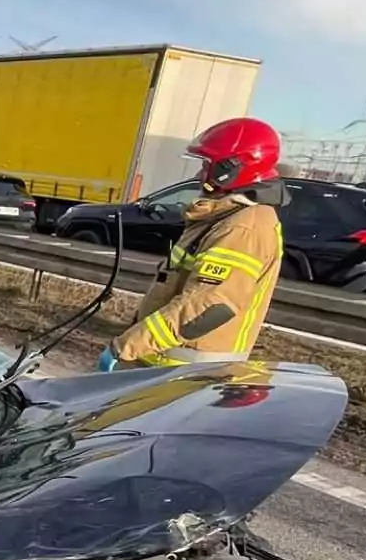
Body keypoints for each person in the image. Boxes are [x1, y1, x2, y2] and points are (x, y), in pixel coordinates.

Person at [99, 117, 287, 371]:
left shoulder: (242, 229)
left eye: (207, 165)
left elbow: (206, 305)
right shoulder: (226, 217)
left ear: (229, 169)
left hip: (184, 372)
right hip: (166, 364)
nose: (200, 174)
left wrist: (127, 346)